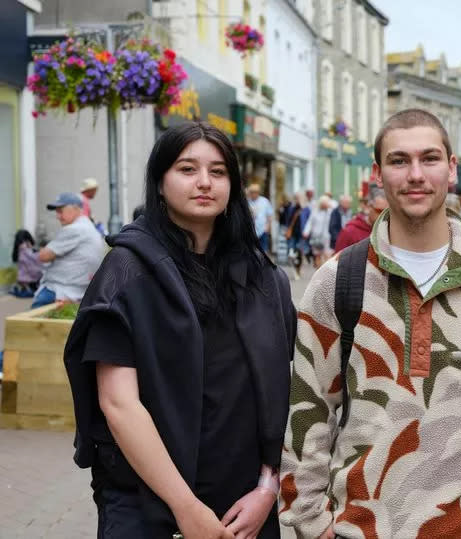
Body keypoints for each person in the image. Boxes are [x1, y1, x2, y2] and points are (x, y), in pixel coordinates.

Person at [279, 109, 461, 539]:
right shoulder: (338, 281)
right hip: (357, 530)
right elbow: (308, 414)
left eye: (430, 158)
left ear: (452, 167)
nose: (416, 174)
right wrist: (311, 526)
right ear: (377, 173)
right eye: (399, 160)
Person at [63, 122, 297, 538]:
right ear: (159, 183)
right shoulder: (127, 274)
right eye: (187, 169)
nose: (205, 182)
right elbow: (119, 404)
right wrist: (186, 509)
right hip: (148, 503)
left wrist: (268, 487)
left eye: (219, 171)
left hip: (246, 505)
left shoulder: (264, 279)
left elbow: (288, 391)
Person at [32, 193, 105, 308]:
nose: (58, 216)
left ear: (76, 208)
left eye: (61, 211)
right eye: (57, 212)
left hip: (59, 291)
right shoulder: (90, 228)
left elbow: (43, 256)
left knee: (26, 324)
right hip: (80, 291)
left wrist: (43, 250)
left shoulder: (74, 229)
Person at [10, 229, 43, 298]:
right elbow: (37, 261)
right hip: (30, 279)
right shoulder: (25, 250)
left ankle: (23, 289)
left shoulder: (18, 250)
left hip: (23, 279)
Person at [302, 195, 333, 268]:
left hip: (326, 237)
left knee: (327, 255)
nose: (325, 205)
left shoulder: (330, 212)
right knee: (317, 255)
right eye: (323, 204)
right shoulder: (315, 211)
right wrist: (306, 232)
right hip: (316, 237)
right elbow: (310, 222)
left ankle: (326, 271)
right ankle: (318, 271)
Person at [247, 183, 274, 254]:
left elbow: (270, 215)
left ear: (258, 192)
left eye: (255, 192)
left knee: (264, 250)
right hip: (251, 230)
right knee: (252, 250)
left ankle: (263, 264)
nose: (253, 194)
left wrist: (267, 227)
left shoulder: (265, 201)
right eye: (251, 192)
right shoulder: (247, 202)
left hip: (263, 230)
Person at [285, 192, 307, 280]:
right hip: (293, 234)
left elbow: (308, 221)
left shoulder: (305, 209)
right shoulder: (291, 208)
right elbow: (288, 220)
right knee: (291, 253)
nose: (297, 200)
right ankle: (295, 269)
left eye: (298, 198)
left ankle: (298, 270)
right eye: (296, 198)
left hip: (301, 234)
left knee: (299, 253)